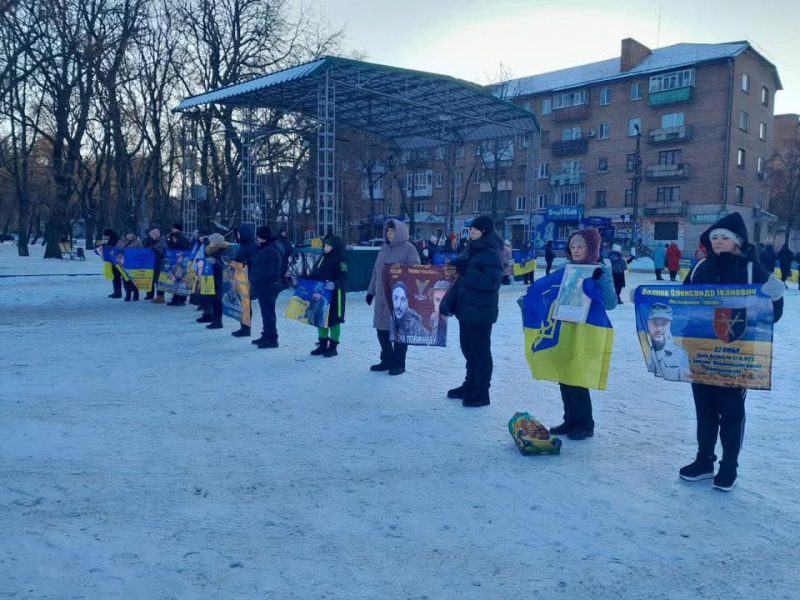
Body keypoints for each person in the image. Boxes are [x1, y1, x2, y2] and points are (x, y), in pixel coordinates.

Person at [680, 212, 784, 491]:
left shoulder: (753, 270)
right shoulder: (700, 267)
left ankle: (729, 466)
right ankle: (704, 461)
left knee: (731, 411)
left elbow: (770, 315)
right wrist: (650, 301)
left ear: (737, 241)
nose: (718, 242)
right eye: (714, 237)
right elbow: (681, 302)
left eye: (724, 237)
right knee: (704, 410)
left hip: (736, 353)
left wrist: (775, 296)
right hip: (701, 351)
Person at [549, 228, 617, 439]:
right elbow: (551, 291)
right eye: (573, 246)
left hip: (587, 329)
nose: (576, 250)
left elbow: (611, 303)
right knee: (564, 374)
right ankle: (570, 420)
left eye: (581, 246)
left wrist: (600, 281)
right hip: (565, 326)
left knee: (577, 375)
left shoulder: (599, 270)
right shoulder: (565, 268)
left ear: (591, 248)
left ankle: (585, 424)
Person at [443, 215, 504, 408]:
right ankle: (470, 384)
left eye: (475, 230)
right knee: (468, 349)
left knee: (480, 351)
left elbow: (492, 283)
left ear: (484, 231)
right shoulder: (472, 248)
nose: (471, 232)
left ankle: (482, 391)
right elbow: (463, 276)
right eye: (470, 230)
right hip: (467, 309)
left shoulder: (491, 252)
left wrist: (466, 271)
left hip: (481, 312)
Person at [366, 219, 420, 375]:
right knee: (381, 330)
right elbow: (376, 271)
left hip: (398, 298)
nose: (389, 234)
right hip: (382, 298)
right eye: (388, 231)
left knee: (399, 332)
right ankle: (387, 359)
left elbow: (415, 271)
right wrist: (371, 292)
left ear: (400, 232)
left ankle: (399, 363)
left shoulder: (409, 249)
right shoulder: (384, 248)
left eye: (392, 231)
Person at [307, 232, 347, 357]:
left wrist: (335, 284)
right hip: (321, 294)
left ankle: (333, 347)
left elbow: (344, 277)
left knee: (334, 321)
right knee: (321, 319)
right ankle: (323, 345)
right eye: (325, 245)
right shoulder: (322, 258)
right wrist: (302, 280)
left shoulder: (342, 259)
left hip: (336, 296)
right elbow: (315, 274)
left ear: (334, 246)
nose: (325, 248)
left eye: (328, 246)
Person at [249, 225, 285, 349]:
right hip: (268, 285)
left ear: (264, 237)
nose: (257, 239)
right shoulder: (269, 247)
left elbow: (266, 271)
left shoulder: (269, 250)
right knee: (267, 312)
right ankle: (267, 335)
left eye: (259, 237)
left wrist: (256, 280)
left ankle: (271, 338)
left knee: (268, 312)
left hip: (267, 286)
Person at [644, 303, 690, 381]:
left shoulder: (681, 354)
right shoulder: (639, 351)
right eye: (655, 323)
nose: (659, 328)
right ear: (648, 324)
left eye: (664, 324)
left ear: (670, 325)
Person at [230, 224, 259, 337]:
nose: (237, 235)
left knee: (246, 304)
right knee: (244, 304)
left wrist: (242, 263)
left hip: (247, 279)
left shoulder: (251, 246)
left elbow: (253, 261)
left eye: (238, 233)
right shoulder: (245, 245)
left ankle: (246, 328)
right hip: (242, 278)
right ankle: (244, 326)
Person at [202, 233, 229, 329]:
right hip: (210, 277)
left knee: (216, 300)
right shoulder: (210, 249)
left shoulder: (224, 250)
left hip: (218, 278)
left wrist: (216, 262)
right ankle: (211, 317)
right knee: (211, 298)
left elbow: (226, 266)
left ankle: (217, 321)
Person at [166, 224, 192, 306]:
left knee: (178, 279)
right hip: (178, 260)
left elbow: (175, 247)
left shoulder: (178, 237)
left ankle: (179, 299)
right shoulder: (180, 237)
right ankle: (176, 298)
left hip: (178, 260)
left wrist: (171, 242)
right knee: (176, 280)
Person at [115, 230, 142, 301]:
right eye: (128, 234)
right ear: (125, 235)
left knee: (134, 279)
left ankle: (136, 294)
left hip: (134, 264)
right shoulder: (120, 242)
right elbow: (116, 251)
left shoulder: (137, 242)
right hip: (124, 264)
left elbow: (141, 251)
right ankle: (128, 293)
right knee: (125, 279)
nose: (130, 235)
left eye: (131, 234)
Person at [143, 227, 167, 303]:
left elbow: (162, 252)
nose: (151, 237)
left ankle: (160, 297)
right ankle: (156, 296)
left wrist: (154, 250)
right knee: (154, 279)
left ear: (156, 235)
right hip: (153, 264)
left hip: (159, 263)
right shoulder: (152, 241)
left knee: (159, 280)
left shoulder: (161, 242)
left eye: (152, 235)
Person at [99, 228, 122, 298]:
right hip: (113, 260)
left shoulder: (114, 240)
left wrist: (104, 245)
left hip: (116, 260)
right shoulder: (113, 239)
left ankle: (118, 292)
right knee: (115, 277)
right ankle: (117, 292)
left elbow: (112, 247)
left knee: (116, 277)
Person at [428, 279, 450, 345]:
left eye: (444, 300)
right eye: (437, 299)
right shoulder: (433, 316)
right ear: (433, 300)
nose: (440, 304)